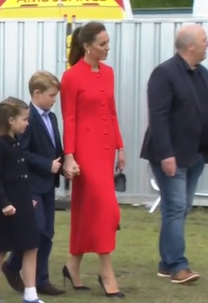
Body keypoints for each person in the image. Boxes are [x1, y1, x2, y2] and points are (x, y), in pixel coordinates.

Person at [140, 24, 208, 284]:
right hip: (171, 156)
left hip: (196, 155)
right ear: (190, 45)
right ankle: (178, 265)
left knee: (180, 208)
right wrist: (166, 154)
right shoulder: (164, 74)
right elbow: (158, 116)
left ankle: (166, 263)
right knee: (176, 207)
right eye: (204, 40)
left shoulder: (203, 74)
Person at [59, 21, 126, 298]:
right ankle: (106, 273)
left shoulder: (108, 73)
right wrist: (69, 156)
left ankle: (72, 266)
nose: (107, 48)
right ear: (87, 46)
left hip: (106, 147)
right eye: (102, 44)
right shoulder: (72, 77)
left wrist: (121, 148)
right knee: (106, 210)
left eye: (108, 43)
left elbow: (112, 112)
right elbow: (69, 118)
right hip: (84, 151)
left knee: (88, 211)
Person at [2, 71, 65, 296]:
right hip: (31, 185)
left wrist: (65, 163)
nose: (54, 100)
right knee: (35, 230)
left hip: (48, 185)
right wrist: (46, 164)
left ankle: (41, 278)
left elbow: (56, 147)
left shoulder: (53, 118)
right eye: (51, 95)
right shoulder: (26, 120)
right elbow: (22, 152)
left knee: (47, 232)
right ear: (37, 94)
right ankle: (12, 265)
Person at [0, 96, 44, 303]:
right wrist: (4, 203)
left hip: (21, 204)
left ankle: (31, 294)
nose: (27, 123)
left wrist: (28, 199)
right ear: (11, 120)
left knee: (31, 246)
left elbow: (20, 176)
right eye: (24, 119)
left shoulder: (16, 142)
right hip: (3, 206)